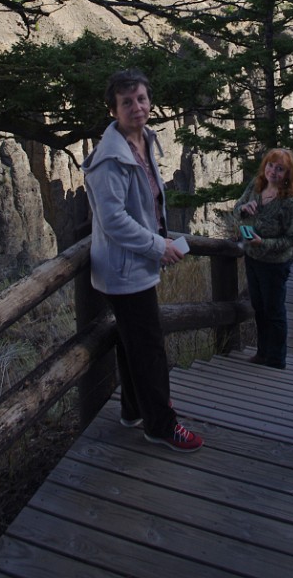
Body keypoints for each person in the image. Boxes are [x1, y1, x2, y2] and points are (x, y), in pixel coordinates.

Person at [81, 67, 203, 453]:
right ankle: (161, 426)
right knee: (150, 348)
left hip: (134, 262)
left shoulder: (144, 140)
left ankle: (133, 409)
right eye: (126, 102)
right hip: (124, 268)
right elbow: (114, 220)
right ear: (113, 110)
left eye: (141, 99)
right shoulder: (109, 158)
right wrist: (156, 245)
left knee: (133, 341)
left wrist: (159, 235)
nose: (137, 107)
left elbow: (145, 202)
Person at [233, 148, 293, 369]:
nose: (273, 171)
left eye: (280, 169)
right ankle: (262, 352)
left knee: (274, 310)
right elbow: (236, 210)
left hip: (275, 264)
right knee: (259, 307)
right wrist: (244, 208)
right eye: (271, 166)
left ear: (287, 174)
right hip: (252, 258)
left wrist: (263, 243)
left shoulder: (291, 203)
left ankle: (276, 358)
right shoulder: (256, 186)